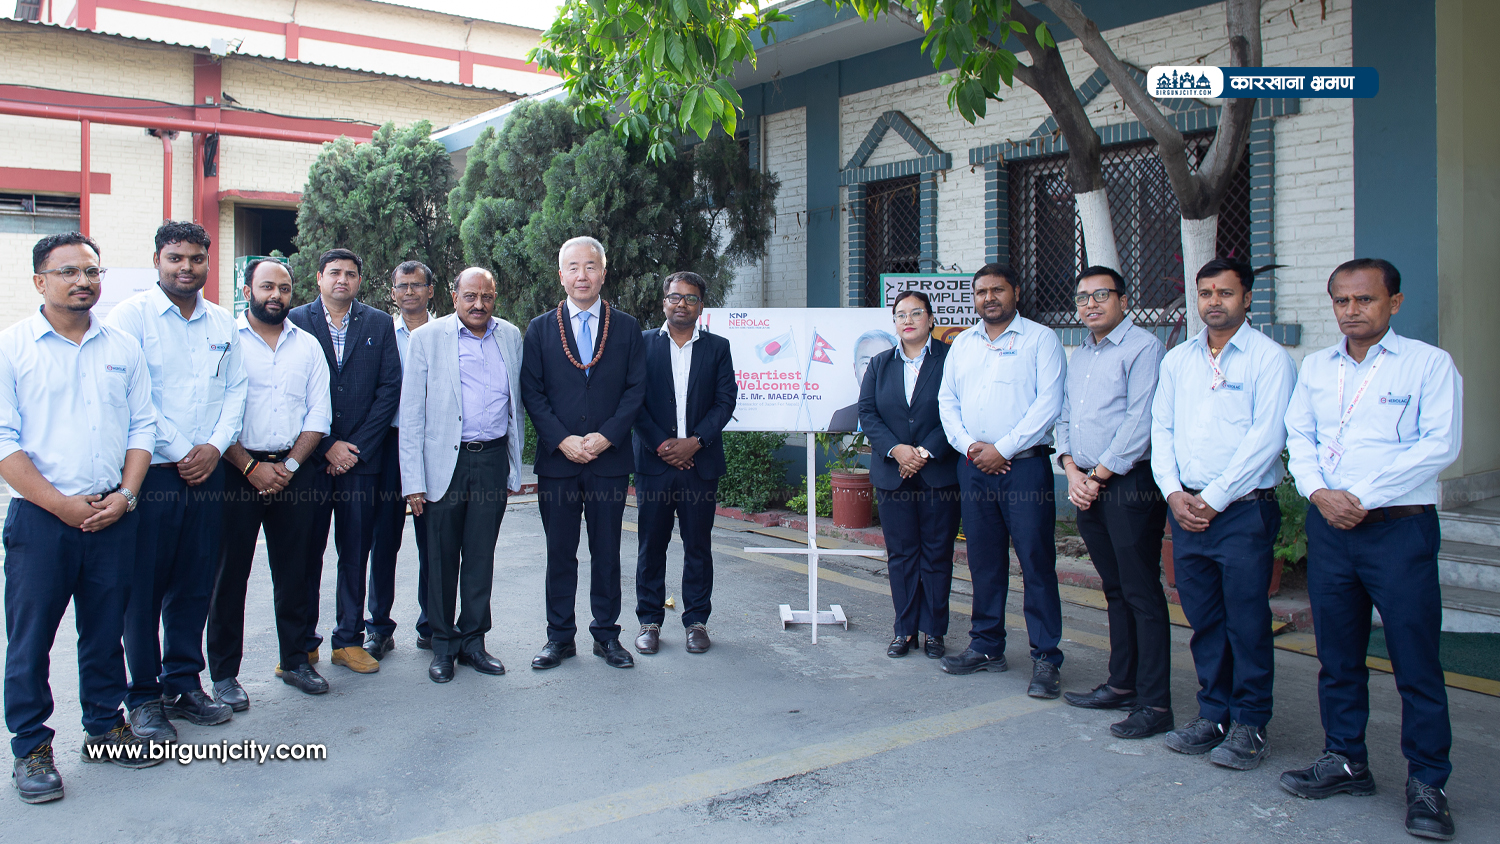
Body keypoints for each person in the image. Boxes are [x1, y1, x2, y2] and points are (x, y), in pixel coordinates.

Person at [1280, 259, 1462, 841]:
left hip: (1398, 530)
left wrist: (1361, 496)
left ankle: (1428, 783)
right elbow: (1299, 436)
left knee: (1415, 662)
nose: (1352, 310)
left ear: (1394, 303)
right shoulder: (1316, 367)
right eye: (1342, 300)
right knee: (1337, 657)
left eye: (1365, 299)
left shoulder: (1429, 365)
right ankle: (1345, 760)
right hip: (1332, 530)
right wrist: (1318, 493)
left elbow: (1440, 444)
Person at [2, 232, 163, 804]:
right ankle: (31, 747)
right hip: (42, 521)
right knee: (30, 640)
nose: (83, 281)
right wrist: (60, 505)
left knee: (103, 631)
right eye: (68, 271)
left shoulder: (121, 347)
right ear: (39, 281)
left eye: (92, 271)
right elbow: (4, 442)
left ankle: (104, 726)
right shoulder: (13, 347)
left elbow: (143, 426)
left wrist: (127, 496)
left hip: (112, 513)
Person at [1151, 257, 1295, 771]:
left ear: (1247, 298)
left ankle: (1250, 723)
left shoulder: (1269, 359)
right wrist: (1173, 493)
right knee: (1206, 621)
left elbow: (1267, 437)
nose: (1214, 302)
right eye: (1206, 293)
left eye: (1225, 293)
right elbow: (1162, 429)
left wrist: (1214, 498)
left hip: (1241, 513)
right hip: (1186, 509)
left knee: (1247, 622)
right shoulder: (1179, 360)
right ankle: (1213, 714)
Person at [106, 221, 246, 742]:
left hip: (208, 472)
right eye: (175, 258)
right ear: (158, 261)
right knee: (143, 590)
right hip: (152, 474)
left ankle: (183, 684)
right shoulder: (130, 317)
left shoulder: (222, 322)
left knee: (194, 584)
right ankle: (144, 698)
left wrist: (214, 446)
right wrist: (184, 449)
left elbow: (237, 390)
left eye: (195, 259)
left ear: (208, 262)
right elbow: (135, 398)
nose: (186, 267)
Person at [937, 264, 1067, 698]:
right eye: (981, 292)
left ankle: (1046, 657)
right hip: (974, 466)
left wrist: (1004, 449)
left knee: (1035, 560)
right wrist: (971, 447)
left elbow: (1048, 404)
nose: (989, 298)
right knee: (983, 560)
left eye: (997, 290)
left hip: (1024, 468)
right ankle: (987, 645)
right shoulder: (963, 344)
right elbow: (947, 400)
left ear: (1016, 292)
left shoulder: (1041, 339)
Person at [206, 259, 333, 700]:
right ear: (247, 292)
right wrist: (250, 468)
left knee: (296, 573)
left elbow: (319, 414)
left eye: (283, 287)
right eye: (266, 287)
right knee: (229, 576)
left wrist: (290, 467)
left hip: (294, 473)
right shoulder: (225, 342)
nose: (275, 295)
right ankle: (224, 675)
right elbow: (215, 413)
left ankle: (296, 661)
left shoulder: (308, 346)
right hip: (235, 473)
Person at [1055, 266, 1172, 739]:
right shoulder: (1081, 353)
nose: (1091, 304)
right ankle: (1122, 684)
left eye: (1101, 295)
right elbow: (1064, 416)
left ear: (1123, 300)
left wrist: (1097, 476)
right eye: (1083, 297)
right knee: (1115, 589)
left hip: (1127, 485)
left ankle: (1155, 703)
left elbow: (1139, 422)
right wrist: (1071, 469)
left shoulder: (1145, 348)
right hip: (1085, 482)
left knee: (1141, 591)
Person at [521, 236, 647, 671]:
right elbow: (532, 392)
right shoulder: (540, 328)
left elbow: (636, 390)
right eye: (573, 267)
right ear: (561, 275)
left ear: (603, 273)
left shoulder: (626, 327)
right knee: (560, 552)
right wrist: (562, 439)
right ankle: (559, 637)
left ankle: (607, 635)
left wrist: (608, 436)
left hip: (608, 461)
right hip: (559, 462)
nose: (582, 275)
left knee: (607, 551)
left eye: (590, 266)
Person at [400, 268, 522, 682]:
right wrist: (413, 482)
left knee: (480, 557)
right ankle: (442, 644)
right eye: (470, 296)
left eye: (487, 296)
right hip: (443, 464)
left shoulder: (510, 335)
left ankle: (473, 641)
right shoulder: (426, 338)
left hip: (491, 460)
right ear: (454, 298)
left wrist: (513, 466)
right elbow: (411, 415)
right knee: (440, 557)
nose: (479, 304)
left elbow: (515, 403)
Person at [288, 248, 402, 676]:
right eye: (334, 273)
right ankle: (302, 644)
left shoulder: (378, 323)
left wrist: (353, 448)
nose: (342, 280)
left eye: (350, 274)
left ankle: (348, 640)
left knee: (355, 552)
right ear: (319, 278)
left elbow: (389, 388)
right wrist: (326, 445)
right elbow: (289, 389)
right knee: (305, 553)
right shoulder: (295, 321)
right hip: (310, 460)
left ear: (359, 280)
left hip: (361, 462)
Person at [631, 271, 736, 656]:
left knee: (698, 546)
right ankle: (649, 621)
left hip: (699, 465)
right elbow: (632, 401)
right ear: (664, 302)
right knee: (651, 546)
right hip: (654, 465)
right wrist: (662, 445)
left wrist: (695, 443)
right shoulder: (641, 344)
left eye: (691, 298)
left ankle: (696, 622)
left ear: (701, 306)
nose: (682, 304)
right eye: (675, 297)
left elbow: (725, 401)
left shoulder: (718, 347)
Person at [857, 289, 959, 659]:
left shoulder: (951, 359)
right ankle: (904, 631)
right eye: (901, 314)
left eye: (916, 313)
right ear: (895, 323)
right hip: (892, 473)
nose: (908, 320)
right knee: (901, 555)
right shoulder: (880, 363)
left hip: (938, 473)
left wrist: (924, 451)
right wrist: (897, 449)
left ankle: (934, 632)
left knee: (937, 554)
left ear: (931, 319)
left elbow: (958, 409)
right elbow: (868, 412)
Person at [366, 261, 436, 659]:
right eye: (402, 286)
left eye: (417, 285)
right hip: (388, 445)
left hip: (433, 446)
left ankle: (431, 623)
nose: (409, 292)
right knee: (384, 539)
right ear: (393, 293)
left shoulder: (445, 333)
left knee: (434, 540)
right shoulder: (381, 333)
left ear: (430, 290)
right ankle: (379, 627)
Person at [827, 330, 897, 431]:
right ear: (855, 369)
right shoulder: (840, 417)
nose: (873, 370)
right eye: (866, 363)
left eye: (881, 362)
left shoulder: (909, 415)